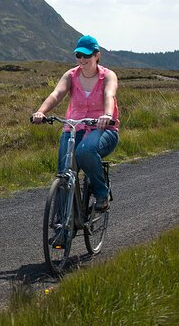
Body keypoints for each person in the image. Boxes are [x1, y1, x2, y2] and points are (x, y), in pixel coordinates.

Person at [31, 34, 119, 211]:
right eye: (79, 55)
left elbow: (110, 95)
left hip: (103, 128)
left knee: (85, 151)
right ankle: (60, 229)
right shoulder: (70, 76)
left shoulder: (108, 76)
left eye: (87, 55)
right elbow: (56, 94)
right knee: (65, 173)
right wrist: (41, 112)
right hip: (74, 127)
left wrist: (107, 114)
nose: (82, 59)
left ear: (97, 55)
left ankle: (101, 192)